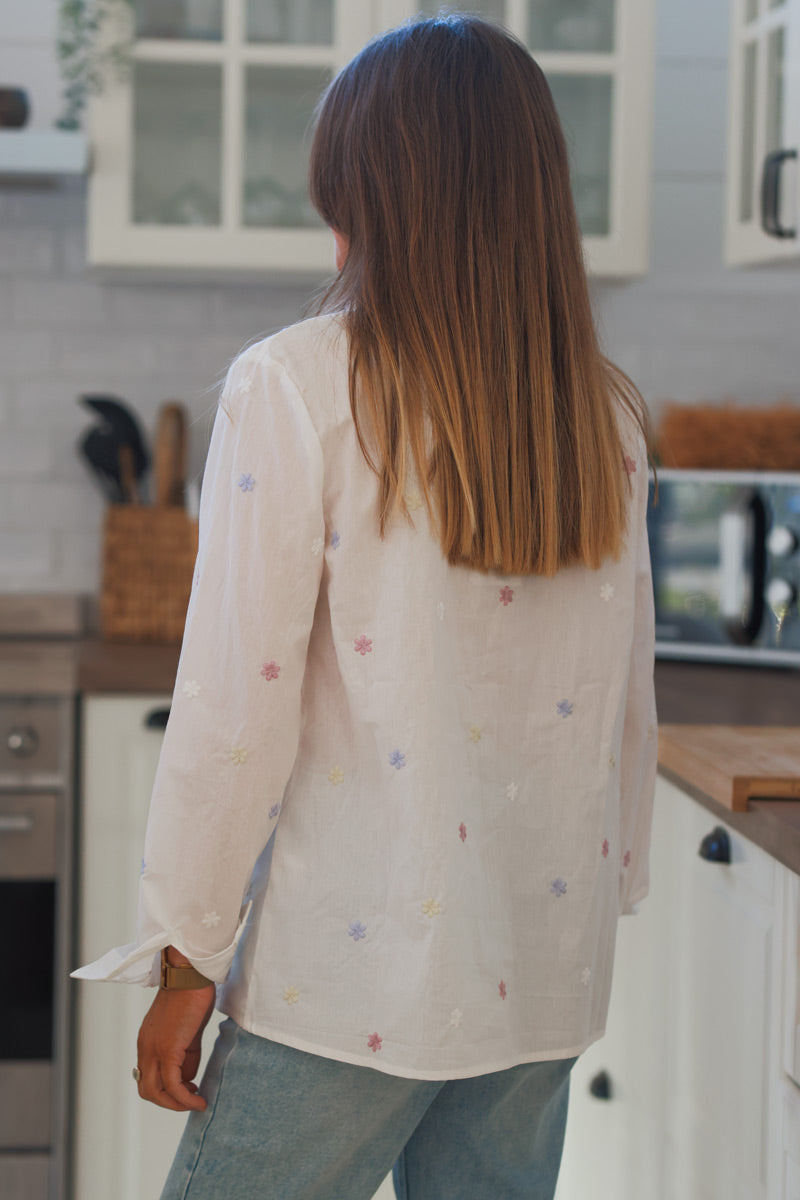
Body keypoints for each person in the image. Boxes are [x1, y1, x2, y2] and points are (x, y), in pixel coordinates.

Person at [73, 14, 657, 1199]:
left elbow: (237, 711)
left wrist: (187, 958)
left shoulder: (295, 385)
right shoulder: (602, 412)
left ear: (372, 192)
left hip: (350, 976)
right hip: (544, 961)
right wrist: (610, 885)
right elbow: (621, 703)